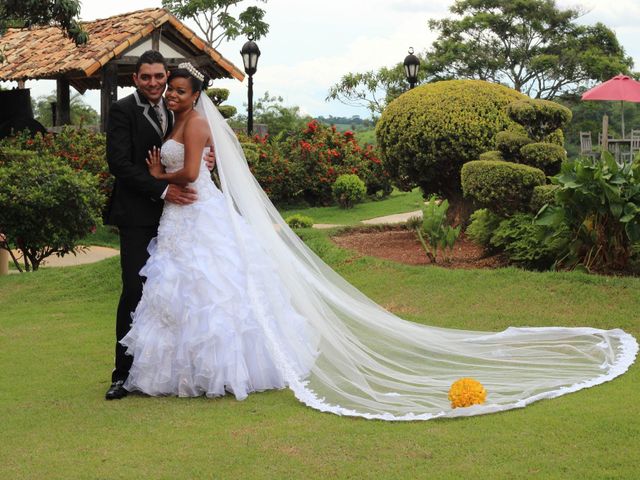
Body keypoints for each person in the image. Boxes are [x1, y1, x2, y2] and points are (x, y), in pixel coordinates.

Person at [120, 63, 638, 420]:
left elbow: (189, 174)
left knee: (212, 288)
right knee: (183, 291)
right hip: (182, 220)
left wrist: (159, 178)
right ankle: (181, 374)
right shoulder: (176, 118)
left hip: (192, 212)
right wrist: (161, 173)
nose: (170, 94)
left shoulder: (196, 125)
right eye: (168, 89)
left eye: (178, 89)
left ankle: (219, 371)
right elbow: (186, 169)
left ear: (195, 92)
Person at [104, 51, 214, 400]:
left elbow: (194, 147)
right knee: (135, 290)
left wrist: (207, 156)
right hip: (138, 215)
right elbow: (119, 163)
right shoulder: (122, 111)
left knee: (178, 292)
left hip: (175, 218)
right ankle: (122, 374)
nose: (155, 83)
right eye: (146, 77)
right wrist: (163, 186)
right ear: (135, 78)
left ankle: (175, 369)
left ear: (167, 77)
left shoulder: (177, 107)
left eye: (159, 77)